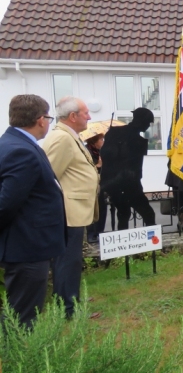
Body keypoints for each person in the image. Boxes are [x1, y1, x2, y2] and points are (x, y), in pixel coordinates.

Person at [0, 95, 67, 328]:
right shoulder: (22, 151)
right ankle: (19, 360)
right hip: (26, 246)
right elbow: (6, 204)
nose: (48, 123)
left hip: (25, 244)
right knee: (23, 315)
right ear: (40, 120)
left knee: (20, 309)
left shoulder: (13, 143)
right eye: (48, 118)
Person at [42, 96, 99, 318]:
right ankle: (68, 309)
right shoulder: (62, 139)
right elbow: (47, 177)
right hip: (67, 211)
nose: (89, 116)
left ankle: (69, 299)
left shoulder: (69, 136)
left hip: (74, 210)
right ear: (73, 116)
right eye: (86, 113)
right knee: (68, 259)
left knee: (71, 259)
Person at [100, 108, 156, 230]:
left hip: (123, 183)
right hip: (121, 183)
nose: (148, 126)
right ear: (141, 121)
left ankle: (127, 242)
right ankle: (150, 241)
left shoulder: (119, 133)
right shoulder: (120, 134)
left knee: (124, 214)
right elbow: (107, 155)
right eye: (148, 122)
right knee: (146, 214)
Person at [85, 133, 107, 243]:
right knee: (92, 209)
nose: (103, 141)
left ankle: (99, 232)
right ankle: (91, 234)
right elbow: (85, 168)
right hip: (90, 186)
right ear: (94, 141)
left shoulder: (99, 151)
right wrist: (97, 166)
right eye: (101, 139)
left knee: (102, 208)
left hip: (100, 185)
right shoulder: (87, 151)